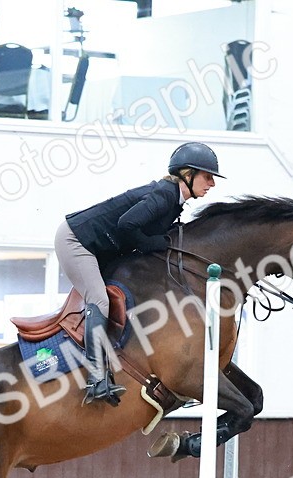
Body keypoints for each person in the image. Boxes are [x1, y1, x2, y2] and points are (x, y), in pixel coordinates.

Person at [55, 142, 224, 406]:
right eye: (207, 176)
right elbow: (127, 224)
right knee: (99, 300)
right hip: (77, 241)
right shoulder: (164, 195)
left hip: (99, 246)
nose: (212, 183)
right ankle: (96, 377)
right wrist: (153, 243)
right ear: (187, 175)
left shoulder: (173, 201)